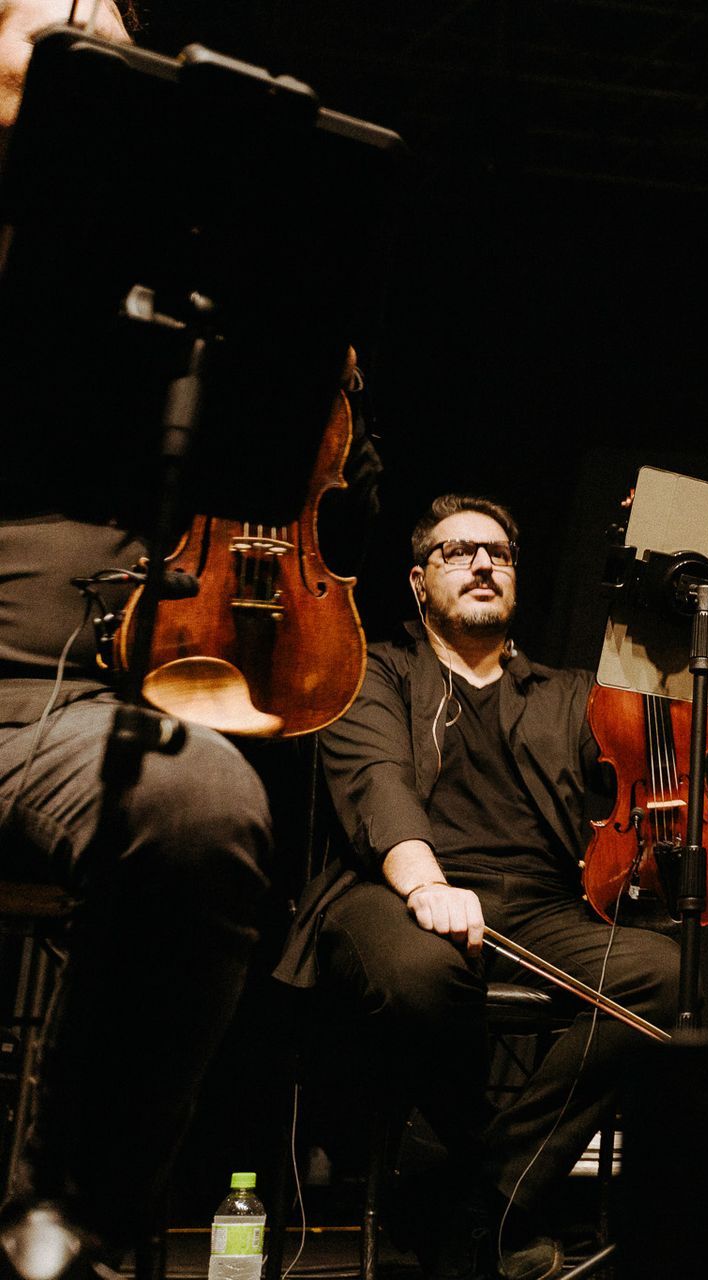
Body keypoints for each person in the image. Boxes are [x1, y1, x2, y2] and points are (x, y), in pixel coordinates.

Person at [0, 4, 279, 1276]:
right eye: (55, 18)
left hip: (66, 699)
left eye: (111, 22)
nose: (96, 38)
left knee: (204, 802)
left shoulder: (152, 283)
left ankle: (73, 1224)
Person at [275, 494, 680, 1280]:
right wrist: (426, 883)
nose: (484, 564)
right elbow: (378, 786)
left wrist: (651, 604)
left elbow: (652, 748)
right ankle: (476, 1194)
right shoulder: (373, 669)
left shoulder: (567, 693)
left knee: (658, 972)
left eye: (497, 553)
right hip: (392, 894)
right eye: (459, 553)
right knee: (425, 968)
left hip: (537, 907)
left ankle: (482, 1201)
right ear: (419, 581)